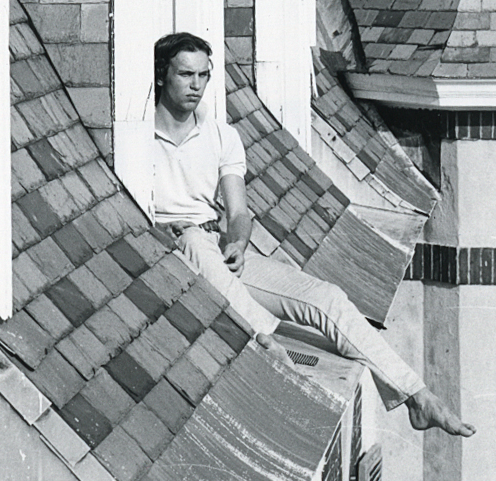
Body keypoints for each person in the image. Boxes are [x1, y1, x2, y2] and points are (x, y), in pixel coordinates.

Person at [150, 32, 474, 436]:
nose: (196, 85)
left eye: (204, 75)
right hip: (174, 248)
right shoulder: (138, 133)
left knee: (328, 298)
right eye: (186, 74)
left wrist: (238, 240)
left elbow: (238, 212)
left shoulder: (220, 135)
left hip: (214, 248)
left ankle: (417, 396)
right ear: (163, 75)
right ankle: (277, 352)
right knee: (197, 242)